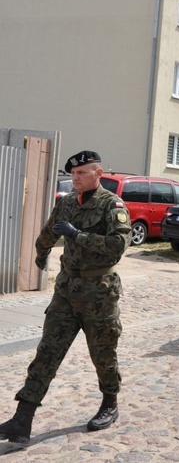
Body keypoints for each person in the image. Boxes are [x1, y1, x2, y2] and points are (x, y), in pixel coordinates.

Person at [0, 151, 132, 445]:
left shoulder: (113, 205)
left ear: (98, 174)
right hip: (66, 293)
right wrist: (41, 251)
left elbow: (117, 247)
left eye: (82, 173)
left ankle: (110, 403)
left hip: (99, 293)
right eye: (72, 174)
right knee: (46, 352)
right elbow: (50, 230)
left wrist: (77, 235)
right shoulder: (68, 202)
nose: (75, 179)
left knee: (103, 353)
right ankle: (22, 419)